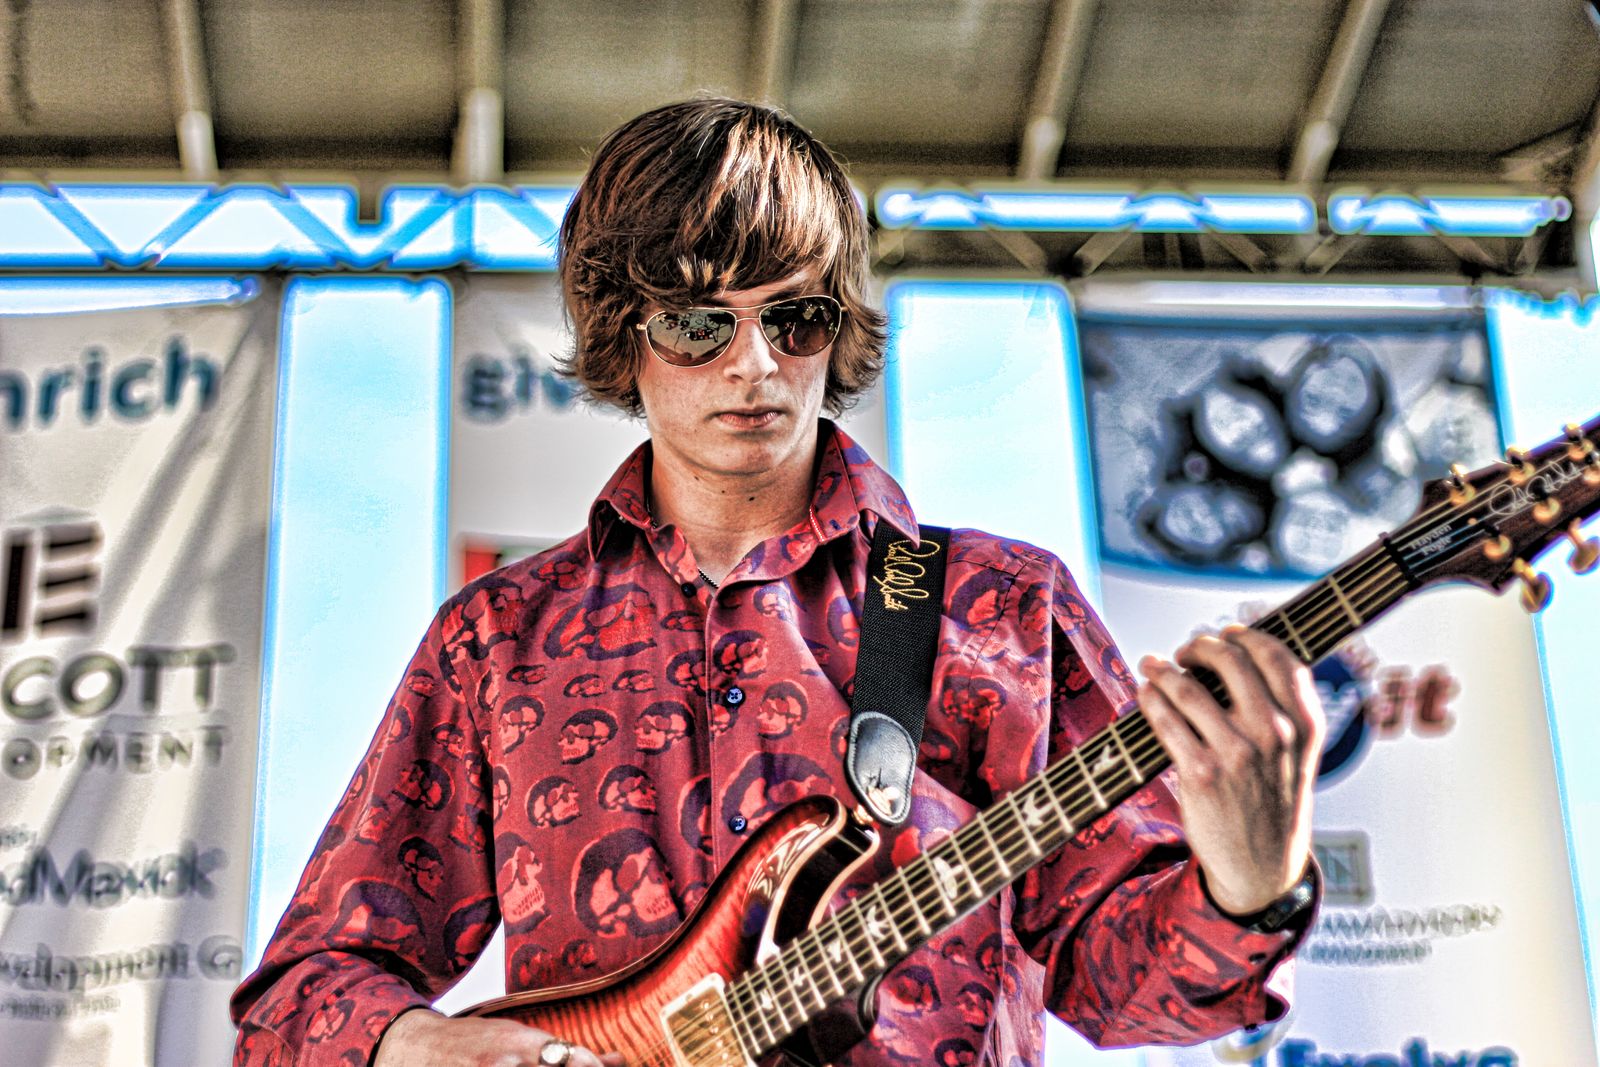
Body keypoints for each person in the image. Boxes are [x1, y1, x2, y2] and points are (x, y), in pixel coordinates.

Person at [230, 97, 1325, 1067]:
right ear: (624, 334)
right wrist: (417, 1043)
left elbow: (1127, 988)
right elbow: (300, 996)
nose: (753, 364)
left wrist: (1250, 881)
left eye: (794, 319)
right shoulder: (500, 636)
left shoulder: (998, 605)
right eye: (699, 324)